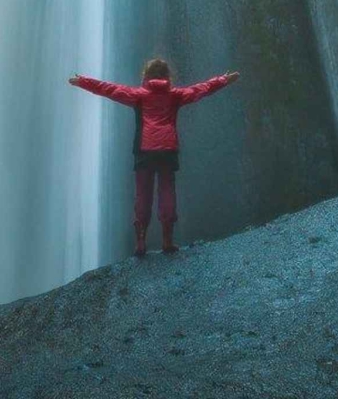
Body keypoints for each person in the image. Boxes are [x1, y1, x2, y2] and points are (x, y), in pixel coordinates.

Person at [68, 58, 240, 257]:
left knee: (143, 194)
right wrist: (223, 80)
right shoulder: (175, 95)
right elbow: (200, 90)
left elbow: (108, 89)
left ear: (146, 76)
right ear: (168, 77)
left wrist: (83, 81)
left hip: (144, 149)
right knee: (167, 192)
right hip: (168, 148)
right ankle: (167, 239)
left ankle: (141, 241)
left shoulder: (138, 95)